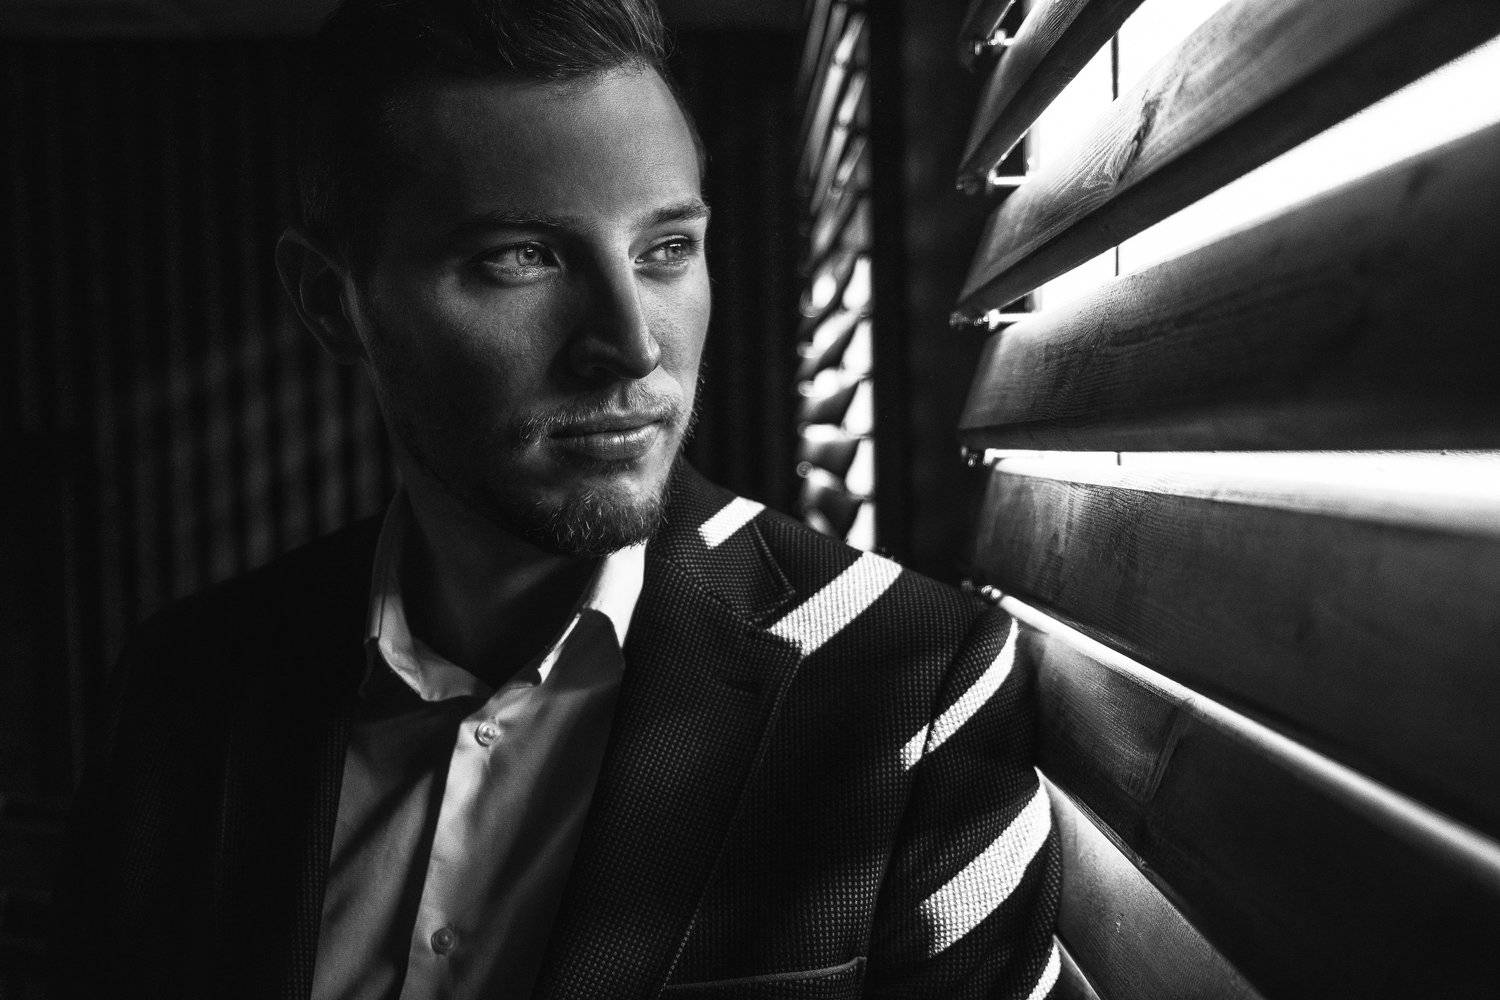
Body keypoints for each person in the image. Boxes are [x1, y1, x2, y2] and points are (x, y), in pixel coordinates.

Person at [54, 0, 1059, 997]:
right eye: (522, 258)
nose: (631, 345)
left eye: (667, 249)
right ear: (332, 301)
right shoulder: (183, 692)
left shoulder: (909, 681)